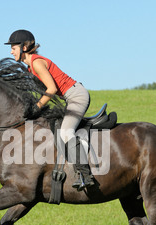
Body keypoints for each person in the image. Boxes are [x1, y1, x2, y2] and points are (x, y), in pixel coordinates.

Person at [5, 29, 94, 191]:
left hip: (77, 96)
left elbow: (51, 89)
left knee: (66, 133)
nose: (11, 51)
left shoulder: (37, 63)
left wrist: (37, 107)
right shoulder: (30, 67)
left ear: (24, 47)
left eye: (13, 47)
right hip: (69, 97)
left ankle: (85, 175)